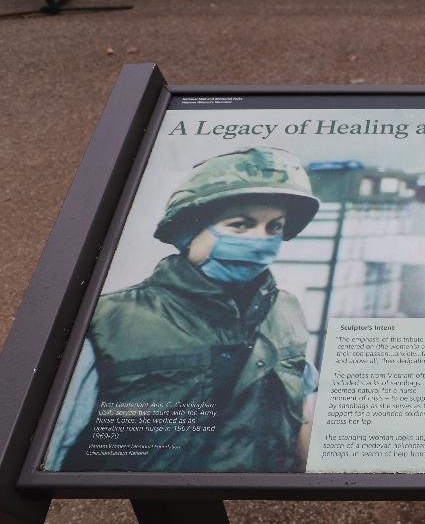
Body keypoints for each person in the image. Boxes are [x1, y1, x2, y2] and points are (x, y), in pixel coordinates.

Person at [45, 146, 322, 473]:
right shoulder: (108, 321)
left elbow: (301, 410)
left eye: (274, 227)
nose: (261, 241)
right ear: (187, 232)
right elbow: (52, 449)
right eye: (239, 225)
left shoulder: (286, 309)